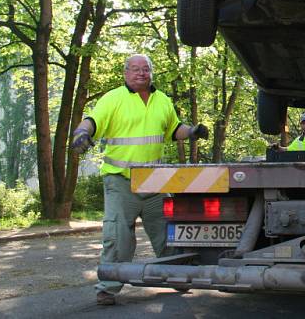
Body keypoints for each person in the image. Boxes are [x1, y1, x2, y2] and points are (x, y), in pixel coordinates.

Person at [70, 54, 208, 306]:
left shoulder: (162, 100)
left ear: (151, 73)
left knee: (168, 234)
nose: (141, 73)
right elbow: (91, 122)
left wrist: (193, 131)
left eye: (146, 69)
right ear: (125, 73)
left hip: (155, 182)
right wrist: (81, 133)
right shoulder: (113, 99)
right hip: (121, 181)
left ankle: (176, 277)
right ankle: (108, 288)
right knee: (118, 235)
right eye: (135, 69)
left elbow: (174, 129)